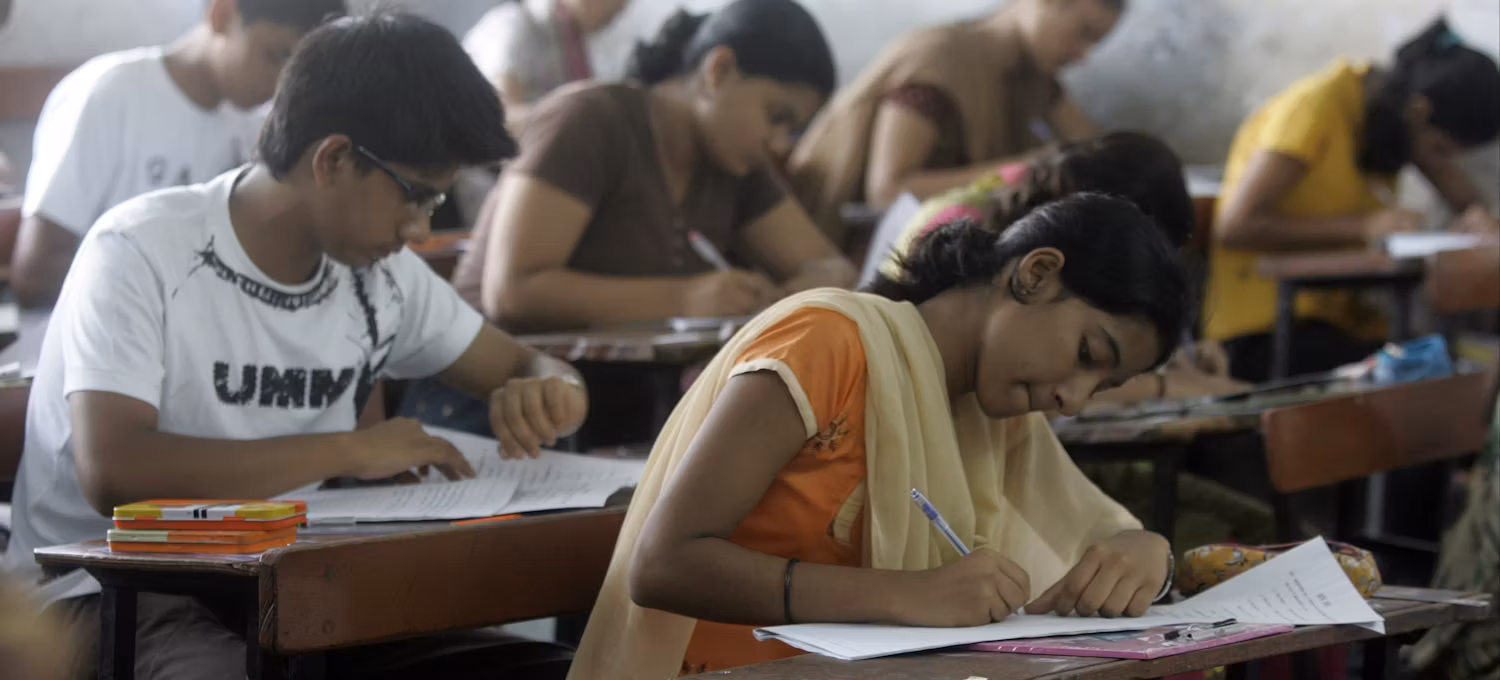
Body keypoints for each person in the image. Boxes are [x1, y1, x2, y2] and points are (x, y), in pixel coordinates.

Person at [4, 13, 582, 679]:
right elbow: (117, 474)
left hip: (290, 586)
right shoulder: (140, 249)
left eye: (439, 200)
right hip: (108, 595)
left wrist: (552, 390)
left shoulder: (379, 275)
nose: (421, 228)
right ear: (333, 159)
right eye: (416, 196)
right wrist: (350, 450)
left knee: (556, 669)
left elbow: (525, 365)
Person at [567, 193, 1192, 677]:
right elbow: (663, 564)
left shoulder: (989, 414)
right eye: (1087, 354)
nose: (1073, 399)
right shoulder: (828, 344)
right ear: (1035, 274)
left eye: (1102, 387)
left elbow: (1096, 531)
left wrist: (1146, 552)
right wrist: (904, 595)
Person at [452, 0, 855, 334]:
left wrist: (817, 284)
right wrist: (686, 297)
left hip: (618, 410)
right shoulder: (589, 121)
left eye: (794, 130)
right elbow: (512, 292)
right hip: (498, 401)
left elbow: (830, 265)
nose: (779, 143)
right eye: (776, 116)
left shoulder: (737, 164)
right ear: (719, 70)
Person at [1207, 18, 1500, 384]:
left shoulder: (1392, 122)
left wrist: (1481, 219)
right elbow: (1234, 226)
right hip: (1262, 332)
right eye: (1439, 147)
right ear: (1419, 110)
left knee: (1442, 364)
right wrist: (1364, 227)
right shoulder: (1316, 108)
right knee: (1422, 381)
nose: (1438, 161)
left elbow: (1454, 187)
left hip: (1337, 324)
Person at [8, 0, 345, 309]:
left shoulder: (258, 127)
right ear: (222, 14)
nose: (278, 85)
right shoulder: (109, 96)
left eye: (296, 72)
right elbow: (35, 274)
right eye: (273, 55)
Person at [884, 131, 1246, 402]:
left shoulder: (1031, 326)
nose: (1071, 402)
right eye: (1089, 354)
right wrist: (1167, 387)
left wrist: (1183, 359)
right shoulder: (963, 231)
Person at [786, 0, 1125, 244]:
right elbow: (888, 191)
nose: (1083, 55)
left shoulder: (1033, 78)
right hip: (846, 246)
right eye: (1084, 32)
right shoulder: (942, 57)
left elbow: (1100, 152)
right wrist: (1029, 170)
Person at [462, 0, 630, 133]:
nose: (623, 7)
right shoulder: (514, 24)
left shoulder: (575, 48)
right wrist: (573, 123)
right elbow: (499, 116)